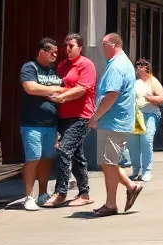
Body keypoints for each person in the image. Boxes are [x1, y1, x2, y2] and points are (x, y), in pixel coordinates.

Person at [88, 33, 142, 216]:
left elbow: (112, 95)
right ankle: (131, 185)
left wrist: (95, 116)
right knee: (108, 162)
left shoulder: (117, 66)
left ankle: (111, 204)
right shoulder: (122, 62)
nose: (101, 48)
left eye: (104, 45)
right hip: (116, 122)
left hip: (113, 123)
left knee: (109, 163)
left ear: (113, 44)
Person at [43, 33, 95, 208]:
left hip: (81, 116)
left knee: (64, 150)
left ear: (80, 47)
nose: (67, 49)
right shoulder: (62, 65)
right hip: (63, 116)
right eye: (65, 46)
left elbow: (82, 89)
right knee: (76, 155)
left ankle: (61, 192)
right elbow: (58, 85)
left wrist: (62, 97)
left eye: (71, 46)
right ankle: (84, 193)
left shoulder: (86, 65)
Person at [18, 39, 62, 210]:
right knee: (33, 158)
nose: (55, 56)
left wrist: (50, 89)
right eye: (52, 53)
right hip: (32, 123)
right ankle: (28, 196)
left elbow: (65, 87)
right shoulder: (30, 67)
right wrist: (55, 89)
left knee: (46, 159)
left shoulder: (53, 70)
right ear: (42, 52)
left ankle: (42, 194)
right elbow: (30, 88)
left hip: (51, 123)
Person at [130, 59, 163, 182]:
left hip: (150, 113)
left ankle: (147, 170)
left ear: (146, 67)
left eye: (141, 65)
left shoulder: (152, 81)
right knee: (133, 143)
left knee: (146, 139)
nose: (138, 67)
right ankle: (135, 170)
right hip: (135, 115)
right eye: (137, 65)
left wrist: (149, 98)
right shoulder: (134, 82)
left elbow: (161, 98)